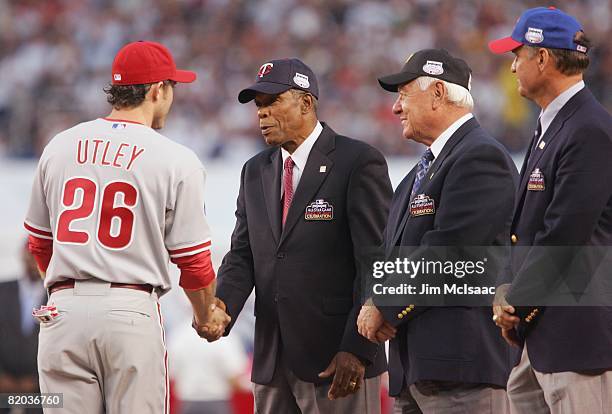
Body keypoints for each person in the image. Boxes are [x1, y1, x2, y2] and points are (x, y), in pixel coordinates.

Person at [23, 40, 229, 414]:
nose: (172, 97)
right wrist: (206, 317)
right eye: (171, 87)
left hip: (62, 311)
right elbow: (194, 263)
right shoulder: (175, 158)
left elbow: (38, 244)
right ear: (156, 90)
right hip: (130, 308)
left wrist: (64, 296)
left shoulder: (60, 145)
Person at [213, 58, 393, 413]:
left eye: (272, 102)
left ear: (306, 103)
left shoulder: (357, 161)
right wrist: (221, 307)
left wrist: (358, 348)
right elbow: (242, 255)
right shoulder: (255, 170)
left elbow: (376, 260)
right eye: (258, 107)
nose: (261, 114)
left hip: (337, 360)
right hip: (271, 362)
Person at [357, 48, 518, 413]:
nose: (396, 108)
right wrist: (373, 299)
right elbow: (385, 256)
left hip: (462, 369)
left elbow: (451, 252)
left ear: (438, 94)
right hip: (417, 370)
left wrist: (384, 304)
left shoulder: (480, 157)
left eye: (403, 94)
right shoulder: (417, 176)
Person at [489, 7, 612, 414]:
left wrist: (515, 302)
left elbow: (565, 233)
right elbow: (524, 227)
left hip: (577, 339)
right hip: (542, 335)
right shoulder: (553, 124)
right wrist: (512, 296)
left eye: (517, 55)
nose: (512, 67)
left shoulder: (588, 128)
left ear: (542, 58)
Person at [0, 241, 46, 414]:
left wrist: (37, 379)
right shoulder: (2, 290)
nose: (33, 261)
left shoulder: (57, 296)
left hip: (42, 390)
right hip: (3, 385)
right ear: (22, 255)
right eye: (30, 255)